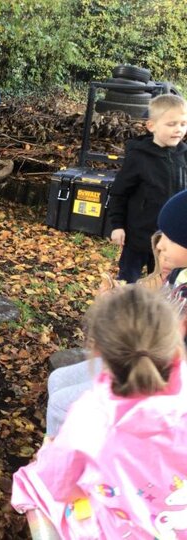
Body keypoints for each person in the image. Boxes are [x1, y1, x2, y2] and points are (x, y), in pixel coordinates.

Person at [12, 285, 187, 539]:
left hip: (120, 531)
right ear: (177, 346)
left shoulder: (91, 416)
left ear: (97, 353)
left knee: (32, 484)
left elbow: (58, 484)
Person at [45, 189, 187, 437]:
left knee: (62, 404)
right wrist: (120, 300)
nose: (160, 244)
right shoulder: (179, 273)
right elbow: (157, 309)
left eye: (170, 238)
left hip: (163, 386)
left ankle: (65, 456)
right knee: (58, 379)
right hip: (143, 361)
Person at [108, 94, 187, 283]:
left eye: (183, 124)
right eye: (171, 124)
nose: (178, 129)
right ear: (152, 126)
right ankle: (125, 302)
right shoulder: (138, 157)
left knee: (163, 282)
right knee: (128, 279)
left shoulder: (184, 156)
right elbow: (119, 193)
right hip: (138, 237)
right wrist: (117, 226)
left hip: (169, 240)